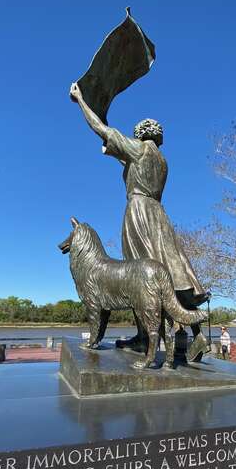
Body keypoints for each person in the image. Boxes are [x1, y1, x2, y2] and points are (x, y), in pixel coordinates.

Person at [70, 81, 210, 361]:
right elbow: (122, 157)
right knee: (172, 271)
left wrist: (81, 101)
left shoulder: (138, 150)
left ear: (139, 134)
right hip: (159, 215)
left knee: (139, 275)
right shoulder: (161, 160)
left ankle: (147, 337)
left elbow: (101, 129)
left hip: (139, 214)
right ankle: (196, 336)